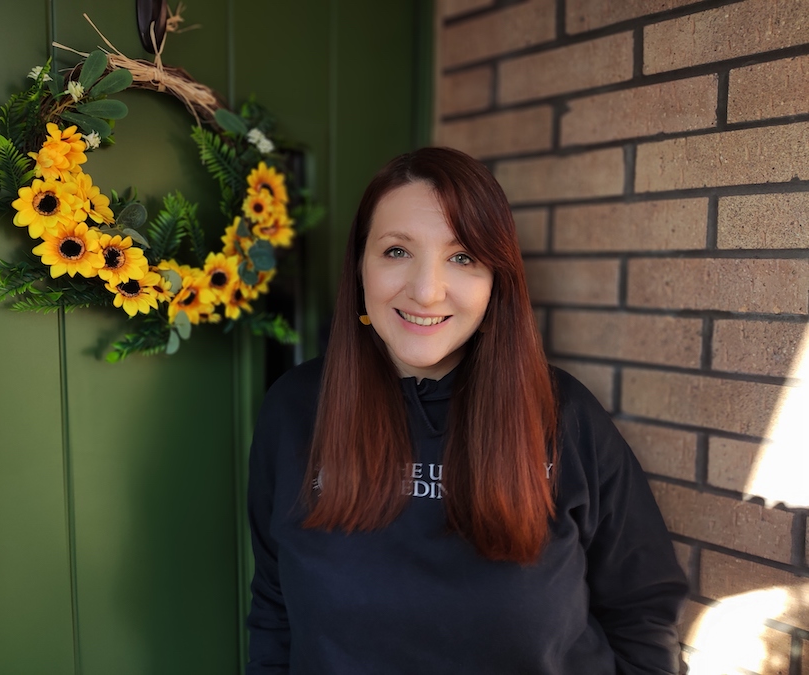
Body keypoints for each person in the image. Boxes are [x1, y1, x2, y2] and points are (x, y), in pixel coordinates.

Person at [246, 147, 688, 674]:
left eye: (462, 257)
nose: (427, 291)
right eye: (395, 252)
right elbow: (275, 609)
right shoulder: (295, 409)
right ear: (360, 265)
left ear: (495, 281)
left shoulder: (565, 417)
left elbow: (641, 611)